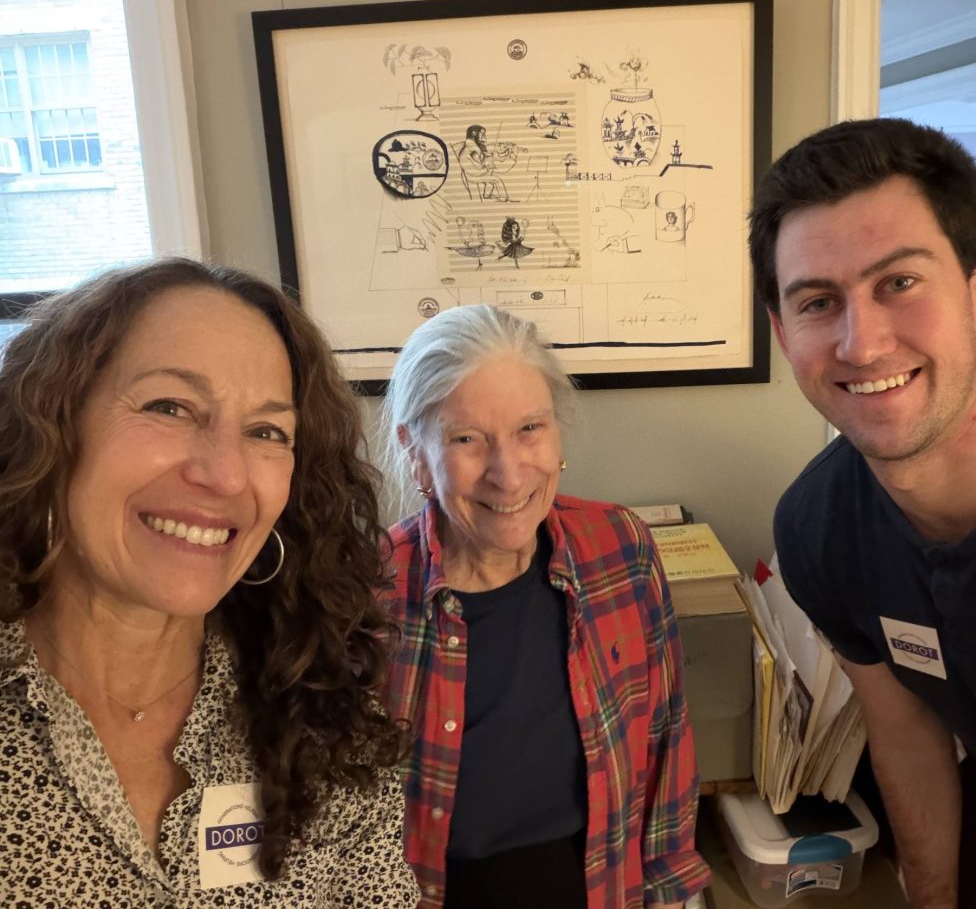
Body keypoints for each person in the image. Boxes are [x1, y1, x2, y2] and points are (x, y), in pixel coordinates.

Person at [0, 258, 419, 906]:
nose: (225, 475)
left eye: (265, 431)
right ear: (52, 425)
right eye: (170, 407)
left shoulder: (325, 722)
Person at [749, 117, 976, 909]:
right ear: (782, 333)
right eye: (818, 301)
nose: (861, 344)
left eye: (898, 283)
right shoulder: (817, 530)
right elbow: (907, 736)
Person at [379, 304, 710, 909]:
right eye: (466, 439)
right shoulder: (366, 595)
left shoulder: (620, 548)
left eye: (530, 428)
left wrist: (668, 890)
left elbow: (665, 735)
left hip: (599, 888)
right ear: (416, 451)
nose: (508, 475)